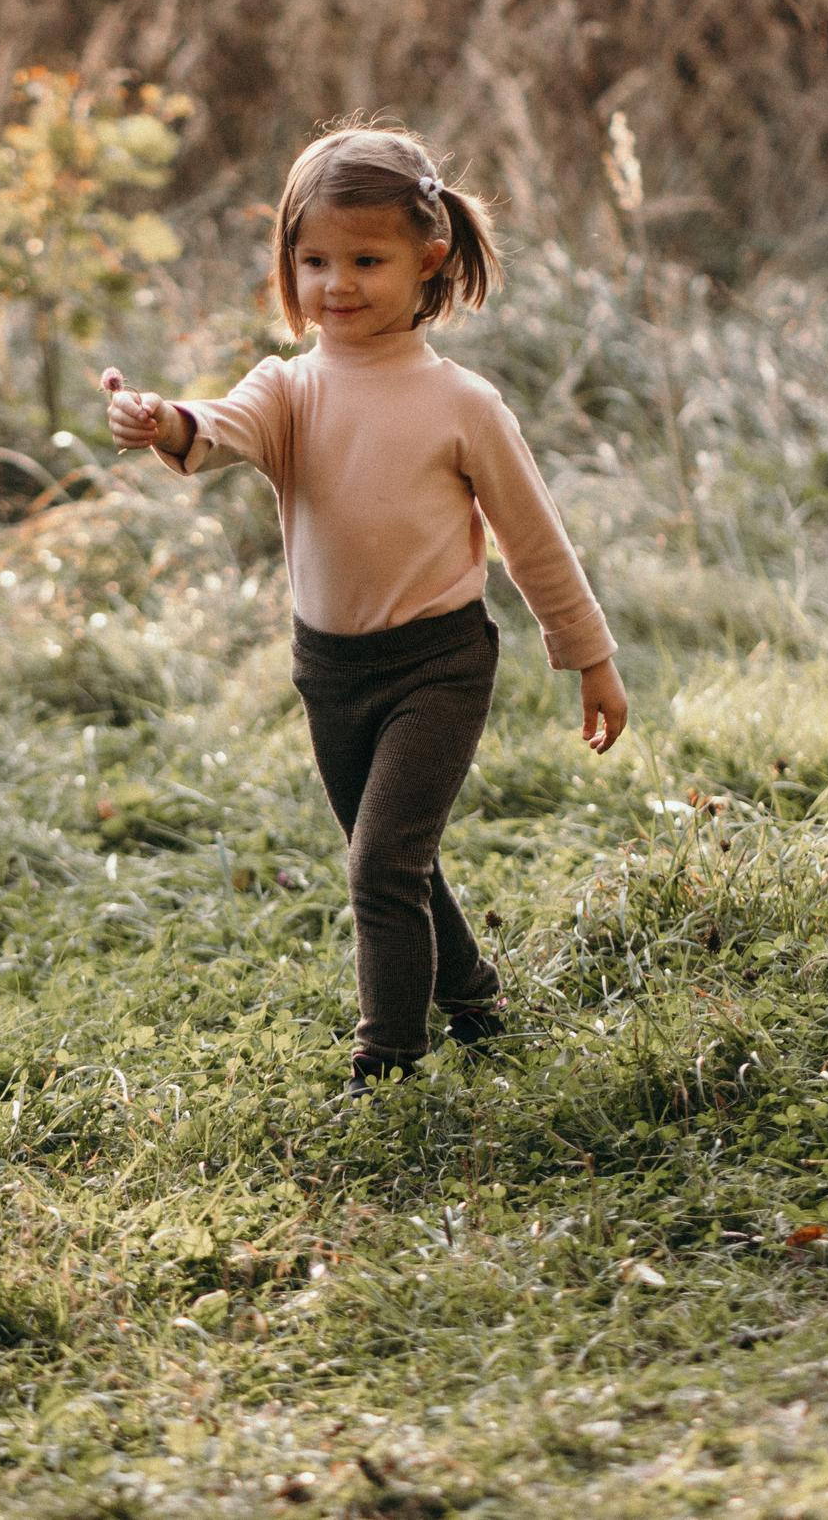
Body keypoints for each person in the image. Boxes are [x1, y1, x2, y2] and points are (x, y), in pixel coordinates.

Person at [105, 125, 629, 1099]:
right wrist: (158, 421)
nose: (336, 284)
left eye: (365, 260)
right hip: (329, 672)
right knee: (396, 857)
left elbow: (532, 538)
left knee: (380, 865)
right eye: (314, 261)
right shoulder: (288, 388)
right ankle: (470, 995)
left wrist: (587, 654)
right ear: (287, 263)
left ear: (427, 261)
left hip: (437, 667)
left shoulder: (461, 403)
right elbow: (212, 430)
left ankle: (385, 1063)